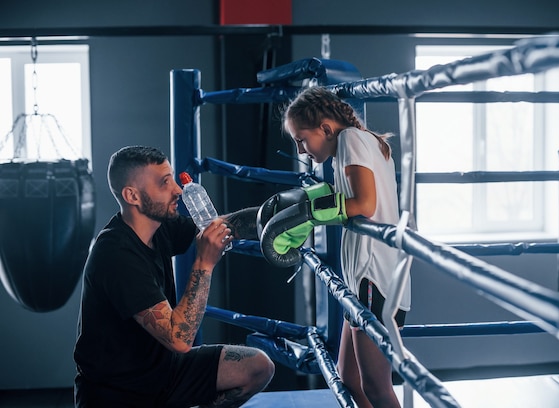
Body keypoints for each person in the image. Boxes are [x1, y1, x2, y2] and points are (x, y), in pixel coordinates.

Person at [73, 145, 274, 407]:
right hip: (117, 394)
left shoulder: (161, 226)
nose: (177, 190)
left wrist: (274, 214)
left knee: (258, 366)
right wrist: (204, 262)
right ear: (132, 195)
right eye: (164, 182)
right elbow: (179, 339)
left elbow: (217, 227)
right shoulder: (115, 255)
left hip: (165, 373)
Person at [277, 86, 411, 408]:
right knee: (348, 378)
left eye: (302, 139)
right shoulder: (352, 147)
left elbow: (364, 204)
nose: (302, 150)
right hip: (363, 276)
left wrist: (309, 214)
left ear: (325, 127)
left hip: (373, 277)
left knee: (376, 387)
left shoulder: (351, 139)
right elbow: (352, 204)